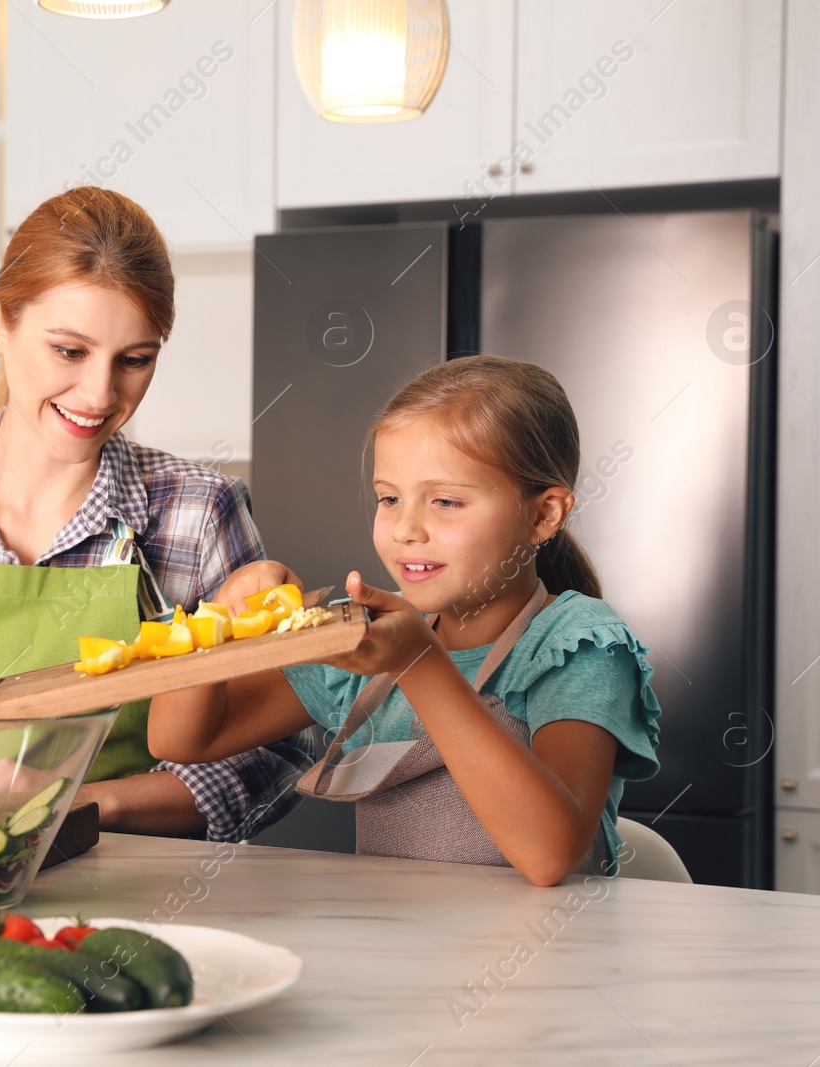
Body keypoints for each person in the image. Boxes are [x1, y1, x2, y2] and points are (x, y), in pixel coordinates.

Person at [0, 186, 309, 839]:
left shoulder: (196, 513)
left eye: (135, 360)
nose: (99, 393)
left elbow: (272, 761)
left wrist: (83, 802)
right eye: (69, 350)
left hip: (131, 897)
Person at [148, 356, 662, 884]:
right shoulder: (366, 635)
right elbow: (182, 741)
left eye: (445, 501)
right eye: (389, 498)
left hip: (549, 957)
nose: (406, 529)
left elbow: (550, 855)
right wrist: (215, 621)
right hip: (400, 953)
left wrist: (419, 663)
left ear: (543, 515)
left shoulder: (577, 645)